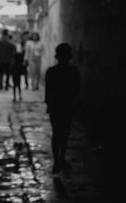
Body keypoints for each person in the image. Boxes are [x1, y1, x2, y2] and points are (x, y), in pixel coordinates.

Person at [45, 43, 80, 174]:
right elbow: (77, 90)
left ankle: (56, 161)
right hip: (67, 105)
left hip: (55, 105)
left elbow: (48, 92)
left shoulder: (51, 72)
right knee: (65, 134)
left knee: (56, 133)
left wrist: (48, 105)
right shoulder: (73, 71)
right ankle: (62, 158)